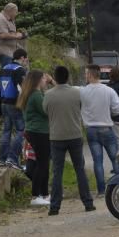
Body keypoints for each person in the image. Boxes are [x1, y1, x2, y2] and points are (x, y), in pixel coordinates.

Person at [43, 65, 95, 216]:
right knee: (80, 169)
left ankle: (54, 207)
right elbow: (82, 107)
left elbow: (45, 111)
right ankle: (88, 203)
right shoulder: (77, 93)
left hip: (56, 136)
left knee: (57, 172)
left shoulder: (48, 95)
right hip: (75, 134)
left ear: (55, 77)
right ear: (68, 77)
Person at [80, 64, 119, 196]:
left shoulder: (82, 91)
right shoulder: (108, 90)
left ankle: (101, 190)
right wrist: (109, 112)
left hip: (91, 129)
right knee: (115, 159)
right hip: (106, 128)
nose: (85, 76)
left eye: (86, 73)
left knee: (97, 161)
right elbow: (117, 109)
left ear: (90, 75)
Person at [18, 69, 52, 206]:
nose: (45, 81)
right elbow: (47, 111)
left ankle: (44, 194)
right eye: (44, 78)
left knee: (42, 163)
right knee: (42, 164)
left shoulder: (29, 94)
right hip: (40, 132)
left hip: (33, 131)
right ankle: (36, 195)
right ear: (38, 80)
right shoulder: (37, 95)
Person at [0, 47, 28, 169]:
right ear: (22, 58)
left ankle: (2, 158)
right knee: (22, 130)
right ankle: (12, 158)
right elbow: (22, 89)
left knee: (6, 131)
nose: (26, 62)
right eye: (26, 59)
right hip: (15, 104)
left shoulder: (4, 68)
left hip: (4, 103)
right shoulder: (20, 70)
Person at [0, 2, 26, 67]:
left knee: (11, 72)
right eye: (16, 12)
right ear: (11, 11)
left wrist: (19, 34)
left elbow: (9, 33)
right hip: (4, 52)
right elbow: (3, 35)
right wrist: (17, 36)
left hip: (9, 52)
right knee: (8, 73)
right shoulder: (1, 19)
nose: (16, 14)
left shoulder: (9, 19)